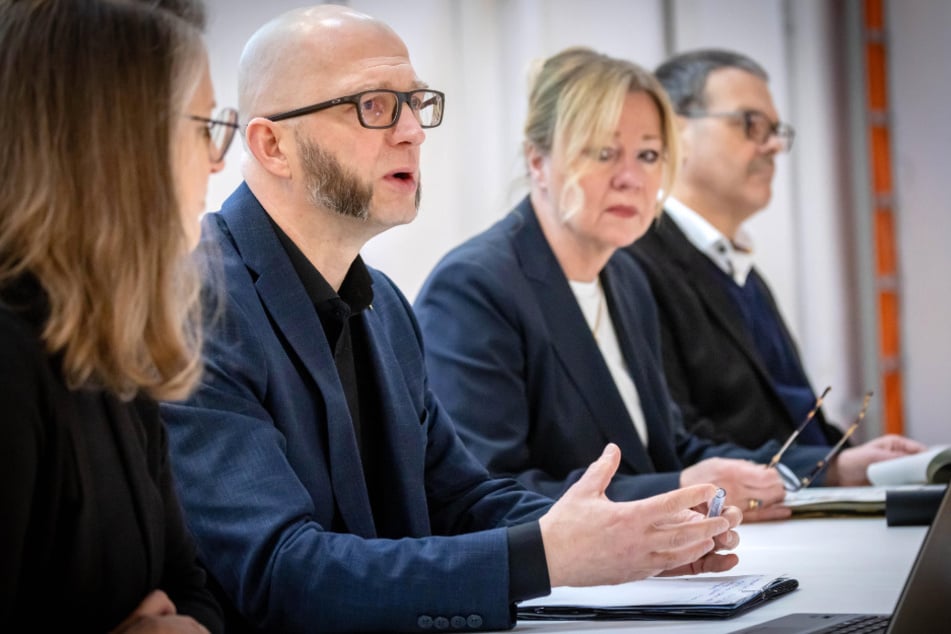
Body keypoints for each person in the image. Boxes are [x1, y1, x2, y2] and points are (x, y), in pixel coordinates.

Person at [159, 6, 743, 633]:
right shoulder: (199, 307)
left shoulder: (382, 303)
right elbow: (280, 571)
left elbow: (461, 499)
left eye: (416, 103)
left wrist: (623, 537)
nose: (413, 130)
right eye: (374, 105)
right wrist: (548, 556)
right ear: (273, 146)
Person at [415, 46, 849, 522]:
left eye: (648, 155)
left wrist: (831, 466)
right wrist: (677, 490)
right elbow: (486, 493)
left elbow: (666, 445)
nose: (630, 178)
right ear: (537, 161)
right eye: (603, 153)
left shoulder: (626, 277)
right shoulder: (474, 287)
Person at [0, 0, 236, 631]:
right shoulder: (11, 357)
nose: (217, 161)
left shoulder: (115, 349)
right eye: (204, 126)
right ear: (121, 142)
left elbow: (193, 588)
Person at [623, 48, 923, 484]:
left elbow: (790, 417)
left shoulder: (742, 271)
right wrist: (830, 470)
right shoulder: (634, 262)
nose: (774, 145)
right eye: (751, 124)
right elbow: (675, 440)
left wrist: (858, 459)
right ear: (675, 131)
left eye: (776, 130)